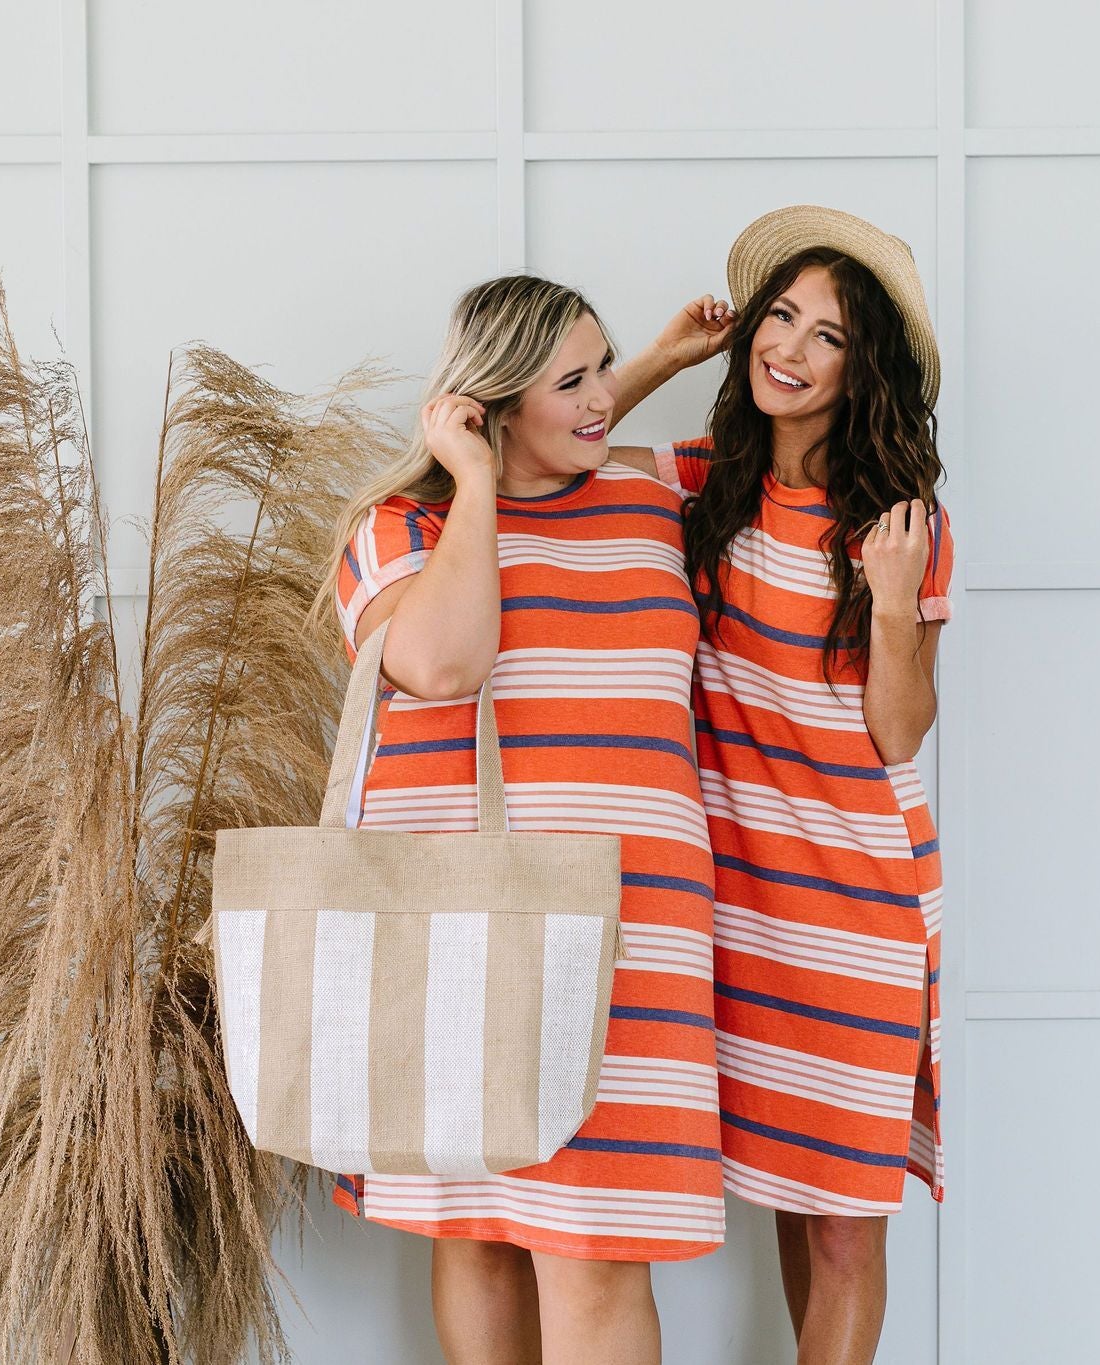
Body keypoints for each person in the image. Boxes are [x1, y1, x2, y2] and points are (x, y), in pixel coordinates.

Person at [313, 274, 724, 1365]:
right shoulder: (400, 531)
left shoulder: (648, 495)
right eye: (572, 379)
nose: (601, 399)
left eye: (605, 368)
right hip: (457, 928)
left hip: (630, 935)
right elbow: (442, 663)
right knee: (479, 1234)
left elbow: (790, 470)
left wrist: (665, 365)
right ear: (488, 409)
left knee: (594, 1254)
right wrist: (477, 480)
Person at [608, 205, 953, 1365]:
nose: (790, 349)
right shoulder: (699, 489)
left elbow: (898, 733)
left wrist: (895, 602)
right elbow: (549, 447)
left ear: (866, 375)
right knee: (786, 1191)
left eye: (829, 338)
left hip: (855, 901)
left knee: (847, 1227)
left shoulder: (900, 526)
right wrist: (662, 356)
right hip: (736, 904)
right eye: (781, 317)